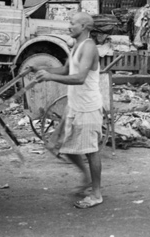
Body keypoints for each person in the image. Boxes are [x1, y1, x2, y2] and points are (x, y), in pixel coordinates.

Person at [30, 12, 104, 209]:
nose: (69, 27)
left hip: (88, 107)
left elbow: (79, 78)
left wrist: (49, 77)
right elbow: (64, 71)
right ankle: (87, 177)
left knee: (91, 151)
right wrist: (39, 70)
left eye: (72, 24)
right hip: (74, 105)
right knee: (63, 145)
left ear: (84, 27)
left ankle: (96, 194)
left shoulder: (89, 47)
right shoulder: (76, 46)